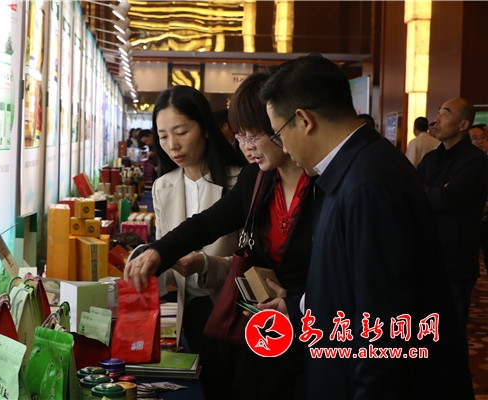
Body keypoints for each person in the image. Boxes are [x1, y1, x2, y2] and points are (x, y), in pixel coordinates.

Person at [259, 54, 472, 398]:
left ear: (304, 120)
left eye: (279, 133)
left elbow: (383, 325)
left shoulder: (369, 185)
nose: (281, 146)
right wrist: (299, 306)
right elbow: (348, 280)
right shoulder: (352, 169)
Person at [126, 72, 315, 399]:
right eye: (241, 136)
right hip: (256, 322)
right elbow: (205, 224)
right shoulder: (259, 178)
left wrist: (297, 300)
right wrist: (157, 252)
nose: (246, 146)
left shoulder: (318, 184)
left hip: (304, 327)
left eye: (254, 135)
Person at [149, 85, 247, 398]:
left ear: (204, 127)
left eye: (181, 132)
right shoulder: (163, 186)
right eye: (163, 136)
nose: (172, 145)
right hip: (188, 311)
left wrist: (205, 264)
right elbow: (164, 250)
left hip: (233, 310)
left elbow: (253, 261)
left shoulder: (239, 180)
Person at [418, 99, 488, 342]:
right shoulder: (430, 159)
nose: (436, 119)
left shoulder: (475, 161)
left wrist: (428, 192)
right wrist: (434, 192)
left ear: (463, 125)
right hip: (426, 256)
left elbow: (445, 200)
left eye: (445, 114)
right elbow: (413, 194)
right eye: (438, 113)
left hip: (456, 261)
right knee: (425, 331)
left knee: (451, 334)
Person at [470, 124, 488, 277]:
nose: (480, 141)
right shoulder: (465, 165)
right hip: (470, 222)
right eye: (475, 138)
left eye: (483, 137)